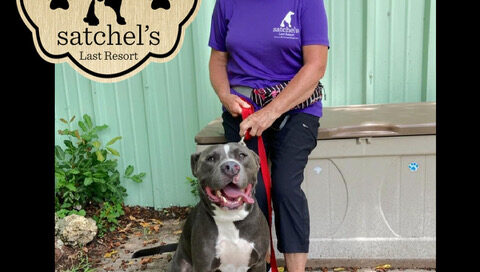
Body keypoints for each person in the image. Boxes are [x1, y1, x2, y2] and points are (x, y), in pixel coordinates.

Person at [208, 0, 329, 271]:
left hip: (296, 110)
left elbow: (316, 66)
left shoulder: (306, 3)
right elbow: (218, 59)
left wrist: (271, 112)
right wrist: (225, 96)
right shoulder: (227, 3)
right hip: (243, 114)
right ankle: (260, 265)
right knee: (251, 192)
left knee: (285, 186)